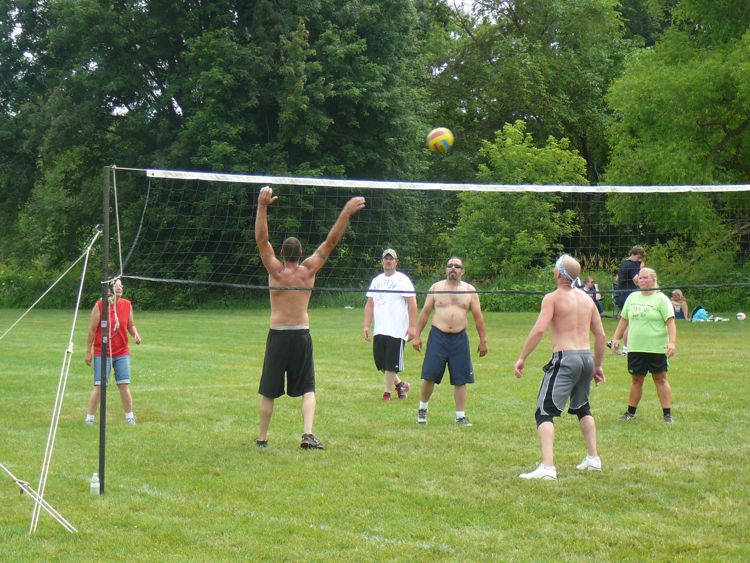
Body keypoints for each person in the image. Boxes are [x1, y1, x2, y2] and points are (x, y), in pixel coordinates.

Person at [255, 186, 365, 450]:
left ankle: (262, 439)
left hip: (278, 334)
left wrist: (262, 206)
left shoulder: (275, 270)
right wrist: (345, 213)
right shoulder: (308, 270)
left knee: (269, 390)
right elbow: (330, 242)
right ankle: (307, 434)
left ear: (281, 253)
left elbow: (261, 240)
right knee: (308, 388)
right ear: (301, 253)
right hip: (301, 334)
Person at [514, 255, 606, 480]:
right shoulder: (587, 300)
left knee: (543, 412)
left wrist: (522, 358)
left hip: (565, 357)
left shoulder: (552, 298)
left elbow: (538, 330)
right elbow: (601, 335)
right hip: (586, 358)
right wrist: (598, 365)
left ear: (558, 273)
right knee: (583, 407)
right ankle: (593, 458)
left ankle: (547, 468)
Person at [412, 257, 488, 426]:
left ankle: (460, 416)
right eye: (450, 266)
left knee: (461, 379)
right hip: (438, 337)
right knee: (429, 376)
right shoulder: (436, 288)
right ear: (446, 269)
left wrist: (483, 341)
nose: (453, 268)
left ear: (462, 271)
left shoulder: (470, 291)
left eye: (457, 266)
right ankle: (422, 410)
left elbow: (478, 318)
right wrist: (417, 336)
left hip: (459, 338)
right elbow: (424, 313)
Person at [611, 267, 676, 424]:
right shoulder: (632, 297)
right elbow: (624, 319)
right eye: (640, 278)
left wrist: (672, 342)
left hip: (656, 347)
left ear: (654, 280)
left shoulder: (661, 299)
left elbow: (670, 322)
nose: (642, 280)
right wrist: (616, 338)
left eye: (646, 277)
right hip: (636, 347)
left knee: (660, 379)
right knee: (636, 380)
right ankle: (631, 413)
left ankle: (667, 415)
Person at [85, 278, 141, 426]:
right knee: (99, 386)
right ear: (109, 289)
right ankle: (89, 418)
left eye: (120, 286)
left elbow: (130, 325)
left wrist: (135, 334)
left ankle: (130, 417)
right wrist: (88, 352)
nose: (119, 288)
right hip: (102, 352)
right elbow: (91, 331)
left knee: (123, 385)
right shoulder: (100, 305)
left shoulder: (127, 305)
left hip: (122, 351)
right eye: (115, 286)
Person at [363, 248, 418, 401]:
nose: (388, 261)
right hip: (380, 328)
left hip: (397, 329)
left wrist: (412, 327)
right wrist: (367, 325)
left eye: (391, 259)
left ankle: (387, 394)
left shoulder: (403, 280)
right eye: (386, 258)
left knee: (390, 364)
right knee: (380, 363)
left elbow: (412, 304)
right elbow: (370, 304)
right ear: (382, 261)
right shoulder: (377, 280)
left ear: (396, 262)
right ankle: (401, 384)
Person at [612, 245, 646, 354]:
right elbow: (637, 281)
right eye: (640, 258)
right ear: (635, 255)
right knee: (630, 323)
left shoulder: (623, 263)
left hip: (621, 295)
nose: (640, 260)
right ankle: (626, 349)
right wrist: (641, 270)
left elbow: (617, 279)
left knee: (625, 321)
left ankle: (613, 341)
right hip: (630, 296)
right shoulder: (633, 265)